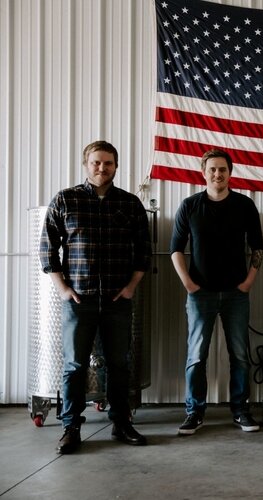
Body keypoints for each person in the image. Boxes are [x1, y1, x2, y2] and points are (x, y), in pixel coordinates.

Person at [40, 140, 152, 454]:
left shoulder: (129, 204)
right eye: (96, 163)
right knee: (75, 366)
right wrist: (63, 289)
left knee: (119, 364)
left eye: (108, 163)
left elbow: (143, 251)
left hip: (118, 300)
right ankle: (70, 428)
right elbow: (48, 249)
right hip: (79, 301)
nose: (102, 168)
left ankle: (121, 423)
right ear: (86, 164)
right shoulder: (66, 199)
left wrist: (131, 287)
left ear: (116, 167)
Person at [170, 149, 263, 435]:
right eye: (212, 169)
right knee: (197, 355)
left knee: (239, 354)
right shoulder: (189, 206)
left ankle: (240, 410)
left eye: (222, 169)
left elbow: (258, 248)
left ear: (230, 172)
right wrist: (188, 283)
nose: (217, 174)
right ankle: (194, 412)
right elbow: (175, 249)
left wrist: (248, 282)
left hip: (236, 294)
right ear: (204, 172)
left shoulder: (244, 205)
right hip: (200, 295)